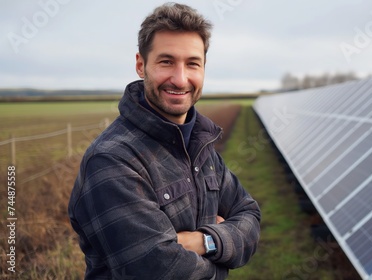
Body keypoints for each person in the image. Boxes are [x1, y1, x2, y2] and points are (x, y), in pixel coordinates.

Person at [68, 3, 261, 279]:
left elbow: (249, 215)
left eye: (192, 63)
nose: (180, 79)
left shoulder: (200, 144)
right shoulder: (112, 160)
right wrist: (222, 256)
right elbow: (158, 270)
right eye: (166, 61)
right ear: (140, 65)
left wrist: (202, 241)